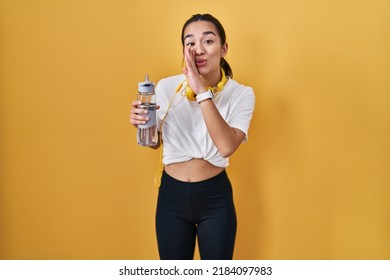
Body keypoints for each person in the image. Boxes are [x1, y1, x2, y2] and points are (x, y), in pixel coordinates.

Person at [130, 13, 255, 260]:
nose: (198, 49)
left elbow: (226, 146)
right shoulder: (166, 87)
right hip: (171, 197)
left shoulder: (241, 94)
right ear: (184, 50)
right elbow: (155, 143)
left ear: (224, 48)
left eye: (208, 41)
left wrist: (200, 91)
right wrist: (141, 125)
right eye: (190, 43)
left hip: (214, 198)